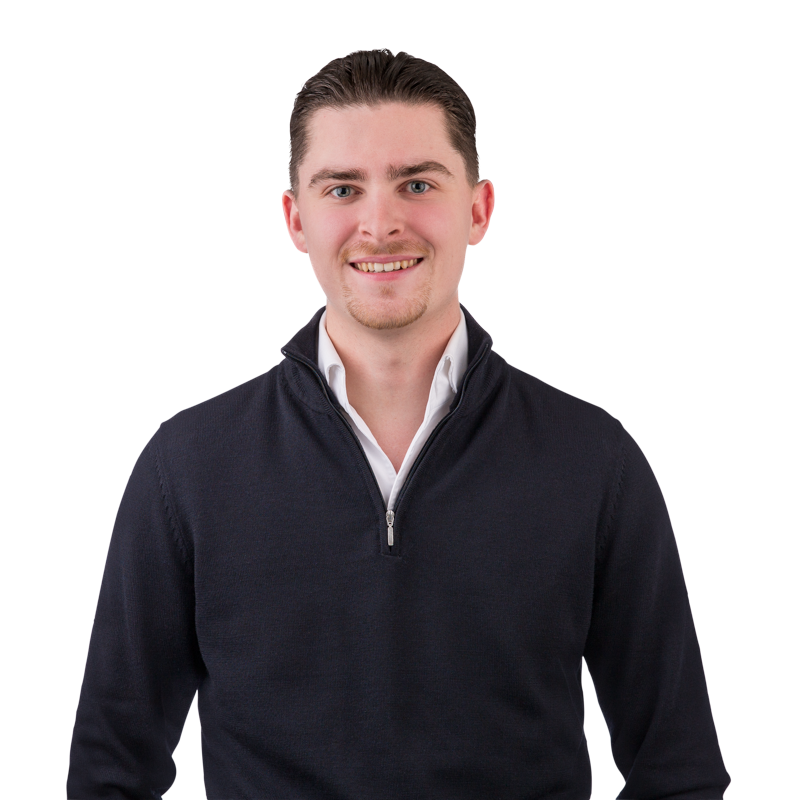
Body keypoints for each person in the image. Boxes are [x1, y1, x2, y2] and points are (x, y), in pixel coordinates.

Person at [67, 50, 731, 799]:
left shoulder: (593, 461)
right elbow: (109, 771)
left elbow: (678, 769)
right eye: (343, 189)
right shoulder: (189, 466)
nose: (380, 224)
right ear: (296, 220)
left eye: (417, 184)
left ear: (478, 210)